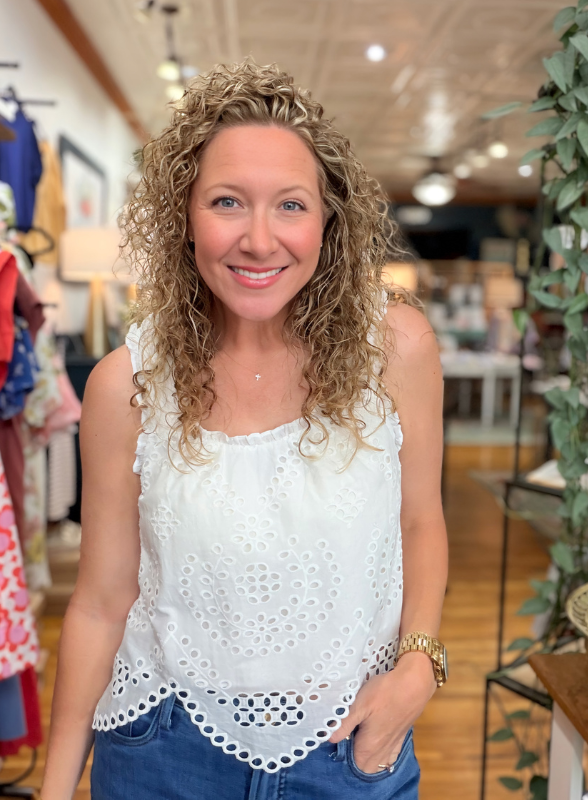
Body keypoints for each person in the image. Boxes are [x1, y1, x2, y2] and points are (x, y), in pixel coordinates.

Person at [41, 60, 448, 800]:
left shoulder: (399, 351)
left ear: (329, 220)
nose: (260, 241)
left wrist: (419, 666)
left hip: (351, 747)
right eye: (227, 201)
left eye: (290, 206)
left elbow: (421, 521)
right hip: (161, 752)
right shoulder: (123, 386)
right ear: (183, 217)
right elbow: (101, 603)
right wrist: (55, 787)